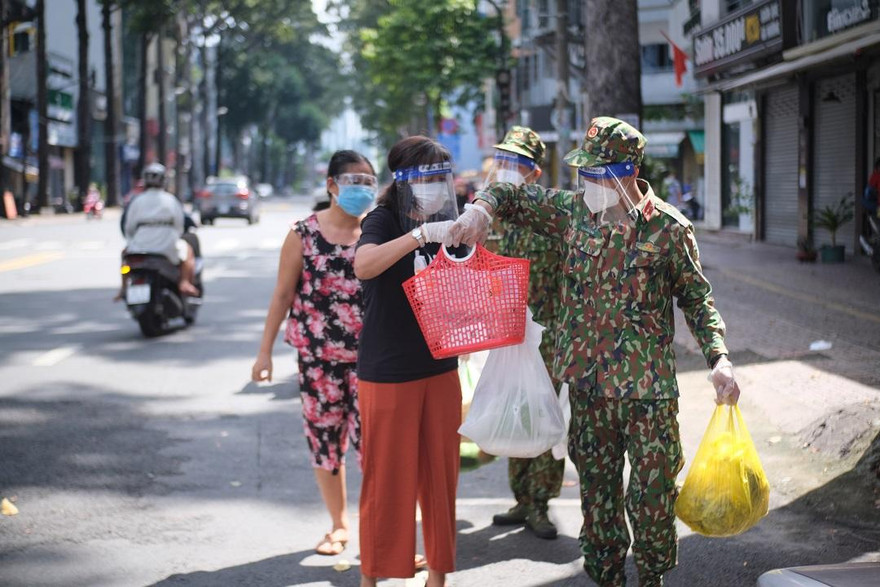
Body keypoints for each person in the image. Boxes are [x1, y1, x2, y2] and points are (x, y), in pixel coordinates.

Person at [449, 116, 741, 587]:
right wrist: (480, 209)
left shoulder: (668, 229)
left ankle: (651, 578)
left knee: (652, 499)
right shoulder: (572, 213)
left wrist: (719, 358)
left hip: (648, 394)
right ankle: (606, 577)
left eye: (596, 172)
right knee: (598, 501)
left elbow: (697, 299)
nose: (586, 181)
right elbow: (508, 194)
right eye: (583, 172)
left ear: (627, 170)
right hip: (589, 388)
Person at [251, 150, 377, 556]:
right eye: (352, 180)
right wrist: (264, 353)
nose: (361, 188)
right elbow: (283, 294)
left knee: (375, 447)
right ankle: (339, 526)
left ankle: (379, 534)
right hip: (318, 361)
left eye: (368, 181)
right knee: (325, 441)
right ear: (331, 185)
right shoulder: (302, 234)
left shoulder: (379, 233)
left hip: (373, 362)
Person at [354, 136, 462, 587]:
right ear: (405, 181)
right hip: (389, 369)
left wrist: (470, 233)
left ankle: (437, 577)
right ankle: (373, 577)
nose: (438, 187)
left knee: (441, 479)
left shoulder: (447, 216)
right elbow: (364, 265)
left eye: (443, 177)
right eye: (429, 178)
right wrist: (417, 236)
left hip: (440, 365)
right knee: (386, 482)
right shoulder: (383, 218)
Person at [483, 126, 564, 540]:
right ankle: (520, 499)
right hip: (508, 331)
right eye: (504, 161)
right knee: (515, 409)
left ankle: (540, 503)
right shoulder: (490, 211)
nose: (507, 169)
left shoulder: (549, 213)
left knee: (544, 414)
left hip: (548, 330)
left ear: (534, 173)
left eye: (517, 163)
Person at [118, 163, 198, 300]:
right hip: (167, 249)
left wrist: (133, 241)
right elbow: (179, 226)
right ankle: (184, 282)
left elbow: (129, 228)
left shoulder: (136, 201)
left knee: (125, 258)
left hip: (139, 247)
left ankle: (124, 288)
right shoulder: (170, 200)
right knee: (188, 250)